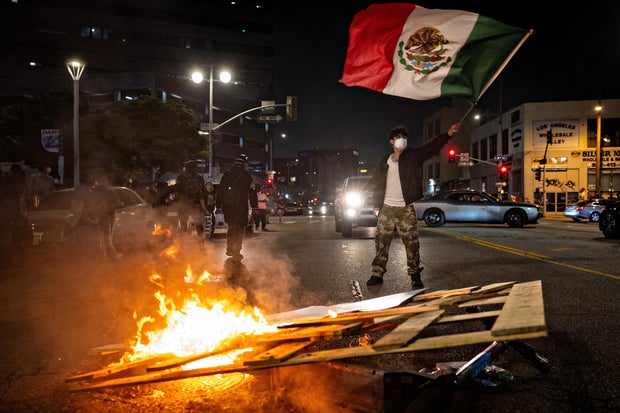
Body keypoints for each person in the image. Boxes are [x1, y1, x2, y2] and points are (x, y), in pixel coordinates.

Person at [367, 123, 461, 288]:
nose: (401, 140)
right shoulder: (384, 160)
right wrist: (376, 204)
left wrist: (448, 133)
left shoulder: (413, 156)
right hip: (387, 207)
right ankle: (377, 274)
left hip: (405, 208)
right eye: (398, 138)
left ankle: (415, 275)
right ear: (391, 141)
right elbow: (377, 182)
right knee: (381, 241)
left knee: (412, 243)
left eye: (404, 138)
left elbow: (432, 147)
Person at [215, 154, 258, 261]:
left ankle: (230, 248)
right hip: (241, 206)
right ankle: (237, 250)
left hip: (228, 207)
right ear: (244, 164)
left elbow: (220, 190)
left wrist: (218, 205)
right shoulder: (247, 176)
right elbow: (252, 192)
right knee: (240, 228)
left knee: (231, 227)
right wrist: (254, 205)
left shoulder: (227, 175)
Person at [175, 160, 208, 235]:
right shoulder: (199, 178)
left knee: (183, 225)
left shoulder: (181, 177)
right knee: (199, 224)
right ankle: (201, 243)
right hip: (196, 204)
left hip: (184, 204)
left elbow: (177, 190)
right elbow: (203, 192)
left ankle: (184, 243)